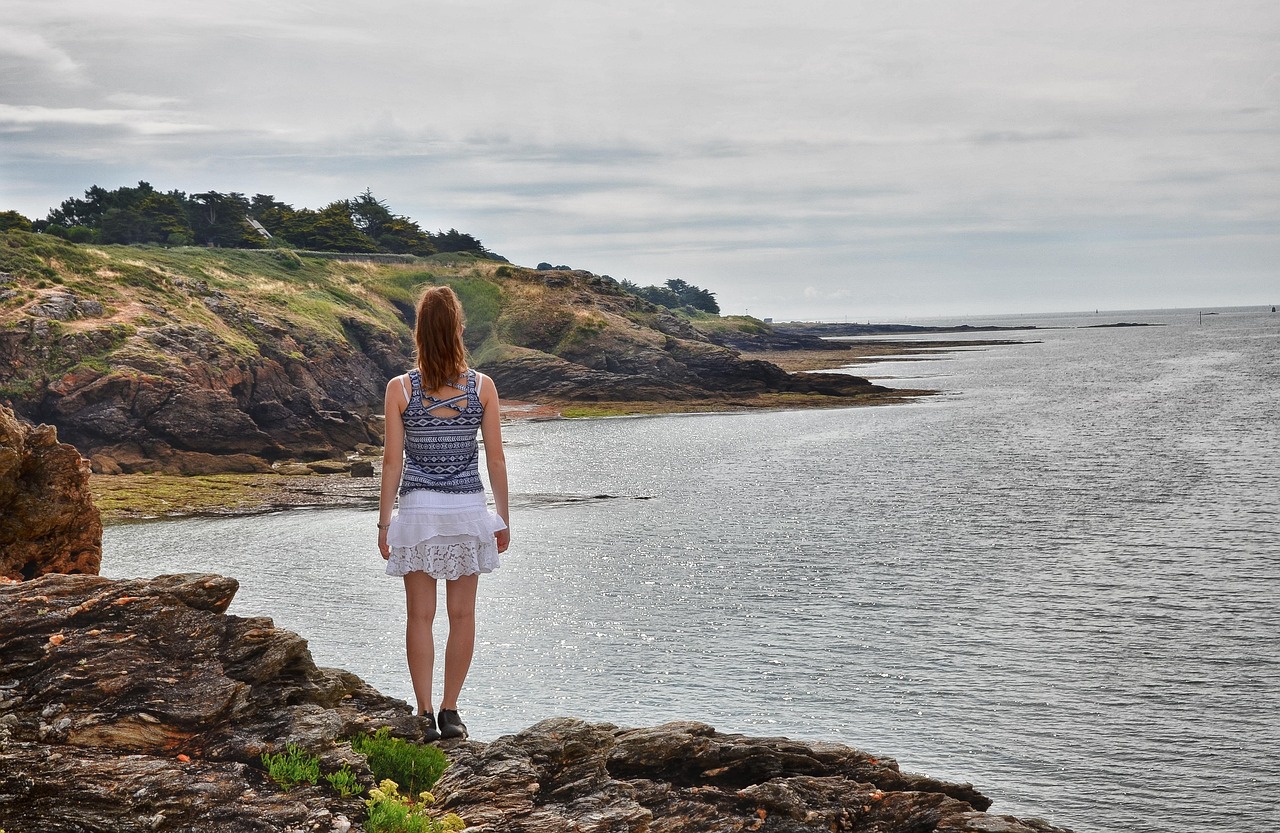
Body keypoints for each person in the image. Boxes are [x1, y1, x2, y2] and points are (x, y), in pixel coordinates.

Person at [377, 285, 510, 741]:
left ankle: (424, 711)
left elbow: (392, 463)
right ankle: (451, 713)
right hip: (468, 511)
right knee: (462, 616)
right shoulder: (482, 387)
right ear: (458, 329)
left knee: (419, 616)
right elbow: (495, 460)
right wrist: (503, 519)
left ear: (418, 332)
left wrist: (383, 524)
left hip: (417, 512)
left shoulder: (401, 389)